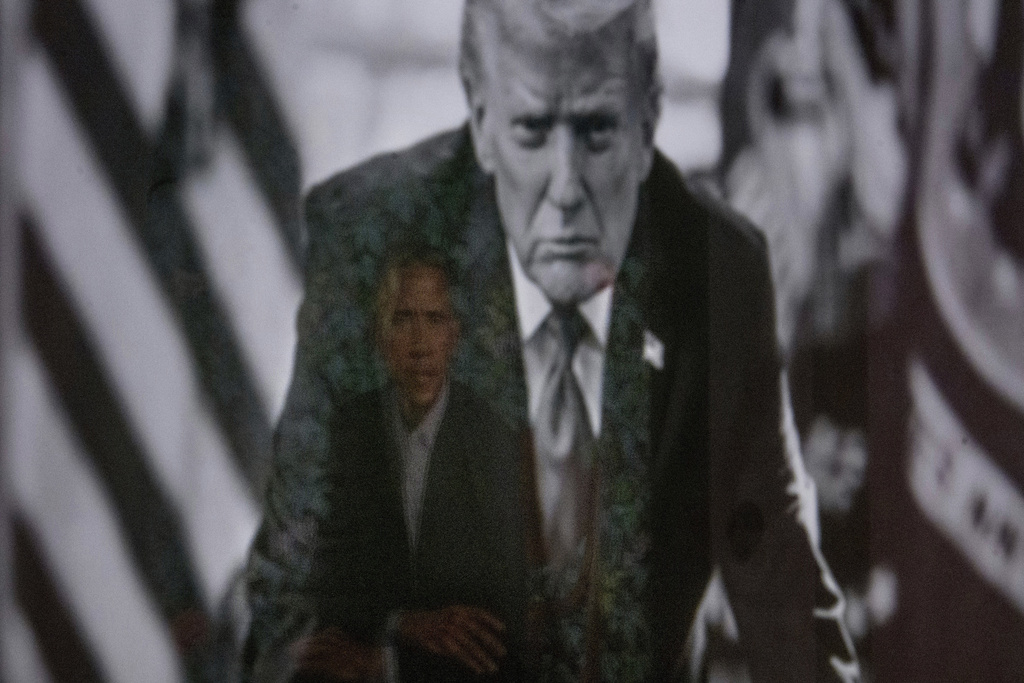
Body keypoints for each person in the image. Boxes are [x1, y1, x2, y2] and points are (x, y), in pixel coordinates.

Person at [245, 1, 859, 680]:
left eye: (596, 130)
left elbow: (785, 603)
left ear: (648, 119)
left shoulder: (721, 274)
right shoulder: (373, 250)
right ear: (480, 120)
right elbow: (296, 614)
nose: (566, 188)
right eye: (533, 131)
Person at [276, 251, 529, 682]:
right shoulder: (351, 431)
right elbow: (336, 585)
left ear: (454, 334)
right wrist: (403, 622)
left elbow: (497, 629)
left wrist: (385, 663)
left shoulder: (494, 443)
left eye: (434, 320)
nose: (420, 345)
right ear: (380, 335)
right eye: (402, 319)